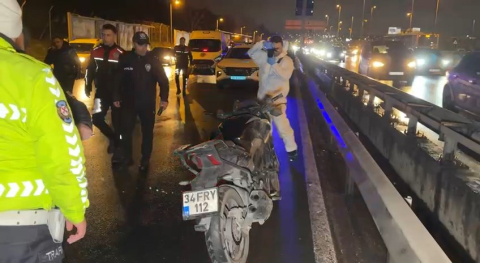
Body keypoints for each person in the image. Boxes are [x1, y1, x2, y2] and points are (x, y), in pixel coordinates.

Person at [0, 0, 89, 261]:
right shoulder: (32, 76)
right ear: (16, 31)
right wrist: (75, 208)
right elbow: (62, 154)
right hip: (21, 233)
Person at [113, 32, 169, 171]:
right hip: (128, 103)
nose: (143, 48)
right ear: (134, 44)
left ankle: (145, 159)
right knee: (126, 132)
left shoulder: (153, 60)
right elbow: (116, 80)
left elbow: (163, 80)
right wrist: (115, 96)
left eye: (145, 45)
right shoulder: (126, 59)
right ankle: (127, 158)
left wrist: (164, 98)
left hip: (147, 103)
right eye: (140, 45)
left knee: (147, 133)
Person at [247, 35, 298, 161]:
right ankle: (264, 154)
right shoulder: (265, 57)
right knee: (263, 130)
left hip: (277, 101)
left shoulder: (287, 61)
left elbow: (285, 76)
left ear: (282, 46)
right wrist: (261, 44)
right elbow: (251, 53)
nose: (276, 51)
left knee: (283, 127)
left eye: (278, 48)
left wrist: (273, 63)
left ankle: (292, 152)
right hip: (262, 101)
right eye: (273, 48)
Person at [85, 23, 125, 155]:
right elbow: (89, 69)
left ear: (114, 36)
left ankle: (119, 148)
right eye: (103, 35)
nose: (105, 37)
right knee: (96, 118)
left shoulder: (120, 53)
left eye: (108, 35)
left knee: (118, 122)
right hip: (100, 93)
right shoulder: (96, 51)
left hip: (116, 94)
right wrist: (87, 84)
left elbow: (126, 76)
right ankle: (113, 138)